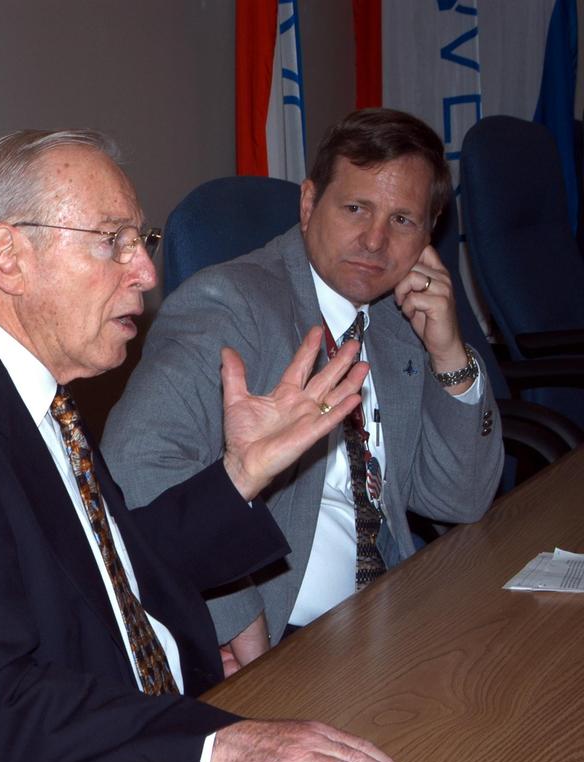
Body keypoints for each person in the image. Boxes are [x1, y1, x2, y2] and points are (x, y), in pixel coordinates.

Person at [0, 129, 409, 762]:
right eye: (112, 241)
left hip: (134, 744)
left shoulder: (28, 387)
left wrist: (243, 472)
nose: (145, 270)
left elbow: (110, 565)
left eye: (139, 240)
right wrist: (214, 744)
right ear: (9, 257)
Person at [103, 108, 502, 671]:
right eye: (356, 208)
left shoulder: (396, 319)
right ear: (310, 203)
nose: (374, 241)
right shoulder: (229, 305)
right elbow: (134, 462)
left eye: (403, 221)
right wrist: (236, 616)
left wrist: (449, 354)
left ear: (429, 235)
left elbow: (458, 501)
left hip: (397, 615)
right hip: (290, 640)